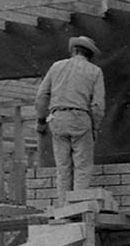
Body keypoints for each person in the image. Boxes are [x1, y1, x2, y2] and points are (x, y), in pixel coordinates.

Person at [34, 36, 105, 200]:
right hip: (80, 117)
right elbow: (98, 106)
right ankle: (77, 205)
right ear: (90, 54)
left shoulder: (56, 67)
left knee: (63, 166)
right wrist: (94, 127)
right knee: (82, 166)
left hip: (58, 118)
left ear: (74, 50)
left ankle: (63, 205)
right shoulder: (94, 71)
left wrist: (41, 121)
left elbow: (41, 96)